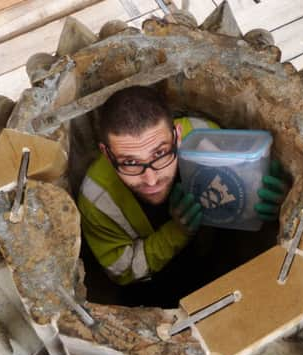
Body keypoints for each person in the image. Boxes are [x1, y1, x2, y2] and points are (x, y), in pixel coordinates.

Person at [77, 86, 288, 306]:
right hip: (156, 289)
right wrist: (177, 232)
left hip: (215, 255)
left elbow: (243, 190)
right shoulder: (96, 198)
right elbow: (122, 271)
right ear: (107, 154)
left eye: (160, 154)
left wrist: (278, 203)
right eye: (130, 163)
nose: (151, 179)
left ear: (177, 136)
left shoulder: (205, 137)